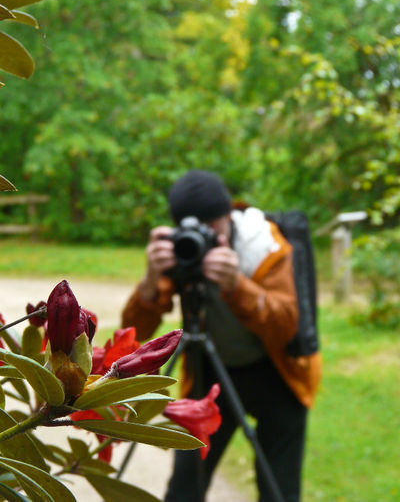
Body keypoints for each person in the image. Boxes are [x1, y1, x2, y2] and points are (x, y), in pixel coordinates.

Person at [121, 170, 322, 502]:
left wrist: (236, 285)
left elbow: (288, 323)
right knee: (185, 487)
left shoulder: (265, 245)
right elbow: (136, 331)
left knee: (279, 489)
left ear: (231, 214)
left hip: (278, 373)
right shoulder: (181, 250)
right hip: (211, 373)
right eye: (194, 232)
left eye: (212, 230)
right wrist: (150, 279)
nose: (203, 240)